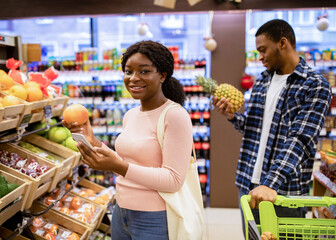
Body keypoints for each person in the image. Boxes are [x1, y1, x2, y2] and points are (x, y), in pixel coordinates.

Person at [63, 40, 194, 240]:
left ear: (162, 75)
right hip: (121, 211)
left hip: (155, 218)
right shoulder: (131, 115)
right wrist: (93, 142)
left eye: (144, 71)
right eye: (128, 71)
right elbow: (128, 162)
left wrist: (120, 167)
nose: (133, 78)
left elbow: (173, 180)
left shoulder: (174, 115)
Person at [213, 19, 332, 237]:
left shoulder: (315, 85)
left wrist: (270, 183)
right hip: (248, 183)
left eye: (263, 50)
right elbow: (255, 129)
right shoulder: (262, 82)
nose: (260, 57)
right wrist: (233, 117)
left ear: (283, 43)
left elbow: (300, 139)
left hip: (283, 191)